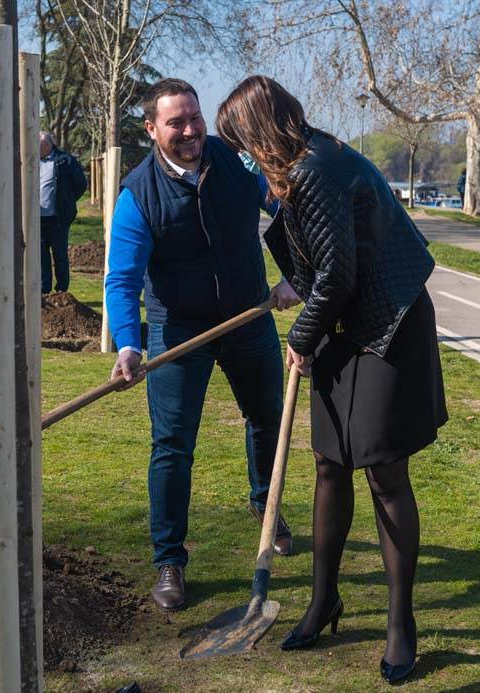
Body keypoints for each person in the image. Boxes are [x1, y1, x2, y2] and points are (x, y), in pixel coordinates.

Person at [216, 76, 447, 684]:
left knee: (384, 473)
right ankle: (325, 600)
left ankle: (400, 624)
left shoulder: (316, 168)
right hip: (343, 323)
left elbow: (340, 273)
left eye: (242, 142)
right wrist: (299, 291)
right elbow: (328, 256)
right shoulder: (298, 166)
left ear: (261, 132)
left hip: (387, 325)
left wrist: (300, 336)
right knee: (329, 463)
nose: (243, 155)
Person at [105, 78, 302, 612]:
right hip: (178, 331)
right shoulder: (138, 194)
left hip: (248, 317)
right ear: (152, 129)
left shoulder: (235, 160)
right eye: (176, 122)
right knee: (172, 445)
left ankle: (266, 506)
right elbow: (122, 279)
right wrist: (128, 345)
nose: (190, 130)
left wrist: (295, 275)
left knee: (267, 418)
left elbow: (287, 208)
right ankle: (170, 559)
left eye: (195, 117)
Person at [39, 132, 87, 294]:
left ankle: (62, 291)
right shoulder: (32, 160)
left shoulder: (65, 160)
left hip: (58, 218)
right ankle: (44, 290)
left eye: (38, 145)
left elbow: (80, 184)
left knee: (59, 254)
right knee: (41, 255)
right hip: (38, 219)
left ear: (48, 145)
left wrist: (67, 201)